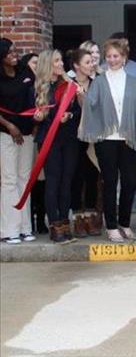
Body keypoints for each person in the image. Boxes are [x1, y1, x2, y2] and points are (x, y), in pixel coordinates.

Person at [79, 38, 136, 243]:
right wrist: (81, 96)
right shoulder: (99, 82)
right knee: (110, 182)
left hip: (128, 138)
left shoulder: (133, 81)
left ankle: (125, 224)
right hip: (106, 138)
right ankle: (111, 227)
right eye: (108, 56)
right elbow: (90, 105)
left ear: (124, 58)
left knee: (129, 182)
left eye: (116, 56)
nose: (112, 60)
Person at [33, 49, 81, 244]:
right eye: (57, 61)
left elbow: (77, 111)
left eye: (61, 60)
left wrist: (69, 115)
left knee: (66, 182)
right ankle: (54, 226)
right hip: (49, 140)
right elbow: (37, 115)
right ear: (48, 65)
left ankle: (64, 224)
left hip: (68, 138)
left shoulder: (69, 85)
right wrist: (40, 117)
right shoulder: (39, 88)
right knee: (53, 181)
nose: (61, 64)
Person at [0, 39, 36, 244]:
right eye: (10, 52)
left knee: (25, 179)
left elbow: (34, 97)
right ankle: (9, 230)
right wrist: (9, 126)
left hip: (27, 133)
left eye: (15, 50)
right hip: (6, 133)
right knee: (9, 180)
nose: (15, 54)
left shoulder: (25, 72)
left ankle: (24, 227)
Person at [69, 48, 102, 237]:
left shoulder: (97, 84)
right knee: (76, 177)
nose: (91, 65)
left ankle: (90, 218)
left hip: (93, 138)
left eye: (92, 62)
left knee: (92, 177)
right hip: (73, 138)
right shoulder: (68, 84)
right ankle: (77, 219)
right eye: (87, 62)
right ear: (76, 65)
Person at [17, 51, 46, 234]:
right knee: (28, 180)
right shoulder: (24, 86)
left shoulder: (45, 86)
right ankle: (28, 221)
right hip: (27, 137)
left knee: (41, 181)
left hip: (40, 139)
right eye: (34, 63)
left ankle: (41, 222)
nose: (37, 66)